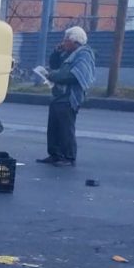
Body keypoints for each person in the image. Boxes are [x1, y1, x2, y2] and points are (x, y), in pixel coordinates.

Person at [37, 26, 96, 167]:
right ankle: (55, 154)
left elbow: (73, 76)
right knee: (54, 127)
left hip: (69, 97)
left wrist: (51, 75)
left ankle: (69, 157)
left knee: (65, 128)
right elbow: (55, 65)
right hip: (58, 96)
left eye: (66, 40)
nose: (63, 42)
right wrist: (57, 53)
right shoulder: (69, 54)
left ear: (74, 41)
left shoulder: (84, 54)